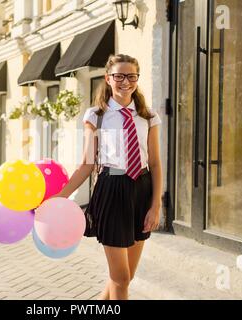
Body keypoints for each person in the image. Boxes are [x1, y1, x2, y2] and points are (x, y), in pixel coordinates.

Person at [53, 54, 163, 300]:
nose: (125, 81)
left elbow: (155, 163)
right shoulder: (96, 115)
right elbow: (86, 164)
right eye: (119, 76)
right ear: (108, 78)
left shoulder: (148, 116)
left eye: (131, 76)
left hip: (141, 190)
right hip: (111, 189)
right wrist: (59, 197)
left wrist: (156, 205)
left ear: (137, 78)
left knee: (125, 277)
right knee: (121, 278)